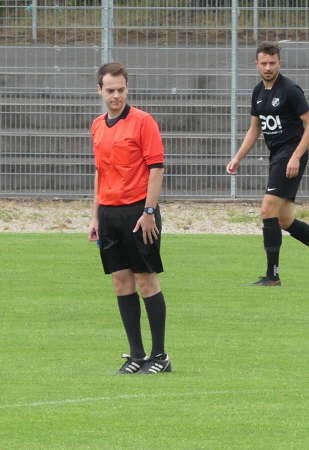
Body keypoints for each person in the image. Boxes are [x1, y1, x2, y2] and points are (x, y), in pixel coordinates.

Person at [226, 42, 309, 286]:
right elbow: (254, 129)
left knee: (266, 210)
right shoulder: (258, 92)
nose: (268, 67)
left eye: (272, 63)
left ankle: (273, 276)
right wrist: (238, 157)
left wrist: (295, 156)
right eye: (264, 63)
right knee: (284, 220)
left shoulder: (290, 90)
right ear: (257, 64)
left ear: (280, 63)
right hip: (277, 156)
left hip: (290, 155)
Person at [88, 62, 171, 375]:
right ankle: (136, 355)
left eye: (121, 90)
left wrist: (149, 211)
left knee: (146, 280)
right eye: (110, 90)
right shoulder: (97, 125)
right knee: (121, 282)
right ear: (100, 90)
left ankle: (160, 355)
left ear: (127, 88)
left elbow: (156, 167)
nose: (116, 96)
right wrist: (95, 216)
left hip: (139, 212)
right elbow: (100, 173)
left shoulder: (143, 122)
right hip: (109, 213)